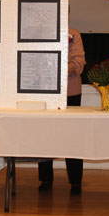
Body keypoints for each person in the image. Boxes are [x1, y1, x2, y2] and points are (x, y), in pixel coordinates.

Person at [38, 27, 86, 195]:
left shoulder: (74, 34)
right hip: (44, 91)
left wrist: (53, 67)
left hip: (70, 92)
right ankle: (45, 178)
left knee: (72, 136)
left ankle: (75, 181)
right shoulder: (41, 32)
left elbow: (79, 64)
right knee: (44, 135)